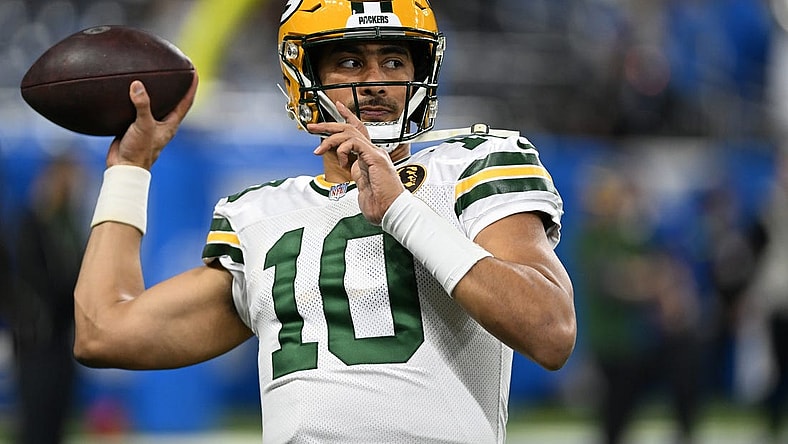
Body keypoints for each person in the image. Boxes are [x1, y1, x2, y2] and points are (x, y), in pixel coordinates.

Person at [73, 1, 576, 442]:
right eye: (350, 61)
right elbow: (104, 333)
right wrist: (129, 170)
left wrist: (401, 209)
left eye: (395, 60)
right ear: (304, 80)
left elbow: (550, 331)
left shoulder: (471, 165)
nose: (378, 82)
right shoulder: (263, 217)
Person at [11, 154, 85, 444]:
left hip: (63, 336)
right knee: (36, 418)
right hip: (36, 336)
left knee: (57, 417)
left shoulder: (72, 225)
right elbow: (33, 277)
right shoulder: (31, 221)